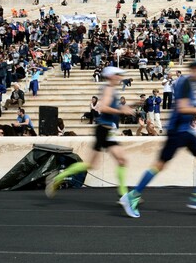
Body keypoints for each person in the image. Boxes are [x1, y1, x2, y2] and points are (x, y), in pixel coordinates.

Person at [119, 60, 196, 218]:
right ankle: (132, 196)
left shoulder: (191, 84)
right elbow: (183, 108)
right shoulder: (184, 83)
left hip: (185, 131)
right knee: (159, 165)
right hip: (177, 132)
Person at [46, 67, 135, 198]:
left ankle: (123, 194)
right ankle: (59, 178)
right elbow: (103, 107)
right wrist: (122, 111)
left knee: (121, 160)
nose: (119, 77)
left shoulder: (112, 90)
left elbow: (113, 107)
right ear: (110, 76)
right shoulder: (108, 89)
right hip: (103, 131)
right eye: (117, 75)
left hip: (108, 131)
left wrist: (129, 106)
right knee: (93, 164)